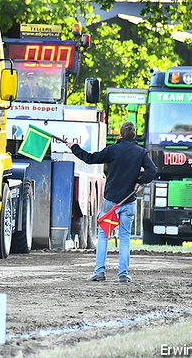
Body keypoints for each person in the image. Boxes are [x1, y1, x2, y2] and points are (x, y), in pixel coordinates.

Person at [66, 121, 157, 283]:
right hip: (128, 201)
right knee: (125, 237)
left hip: (110, 201)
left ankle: (99, 271)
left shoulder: (112, 150)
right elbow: (153, 170)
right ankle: (123, 274)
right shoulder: (140, 152)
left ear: (120, 135)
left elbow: (90, 158)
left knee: (103, 235)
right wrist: (140, 182)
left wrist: (74, 147)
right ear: (134, 135)